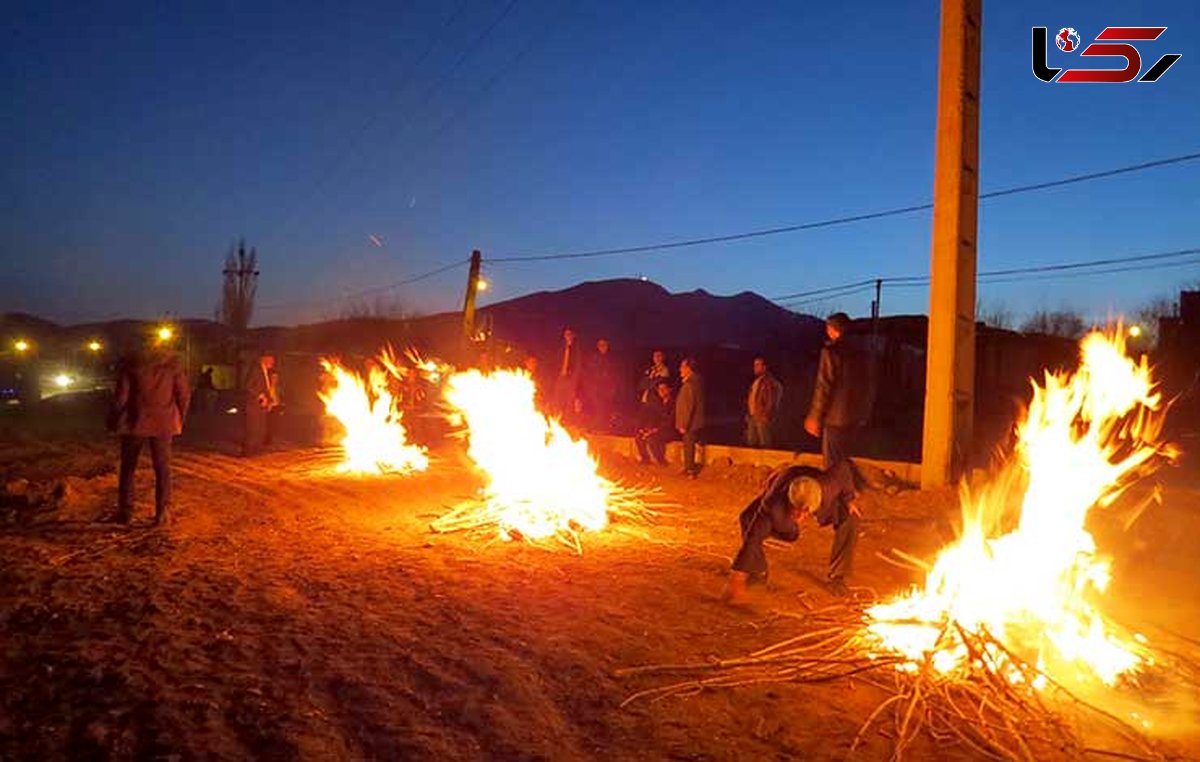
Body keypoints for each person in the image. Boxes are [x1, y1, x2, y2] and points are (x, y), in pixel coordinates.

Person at [723, 461, 861, 603]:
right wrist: (737, 577)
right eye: (797, 511)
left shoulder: (828, 486)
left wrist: (848, 499)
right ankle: (757, 570)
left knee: (851, 518)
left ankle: (838, 577)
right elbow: (754, 535)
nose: (801, 517)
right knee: (747, 518)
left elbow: (843, 469)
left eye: (805, 513)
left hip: (810, 478)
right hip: (784, 484)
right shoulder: (773, 504)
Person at [107, 343, 191, 526]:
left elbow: (121, 397)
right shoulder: (173, 366)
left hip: (135, 422)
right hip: (164, 423)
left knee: (128, 468)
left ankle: (126, 512)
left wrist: (113, 420)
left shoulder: (131, 365)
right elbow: (184, 395)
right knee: (163, 469)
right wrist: (178, 419)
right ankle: (162, 513)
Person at [805, 312, 869, 469]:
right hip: (854, 416)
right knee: (846, 460)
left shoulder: (831, 352)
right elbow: (868, 384)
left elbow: (824, 386)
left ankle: (835, 490)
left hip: (835, 417)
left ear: (832, 329)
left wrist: (815, 417)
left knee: (832, 463)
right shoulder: (861, 353)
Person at [243, 353, 280, 456]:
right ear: (264, 359)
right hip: (253, 405)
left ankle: (256, 450)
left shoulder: (265, 371)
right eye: (271, 360)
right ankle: (248, 452)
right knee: (253, 429)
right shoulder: (255, 369)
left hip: (261, 406)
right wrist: (260, 396)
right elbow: (248, 386)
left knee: (260, 428)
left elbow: (266, 388)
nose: (273, 363)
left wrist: (270, 401)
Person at [675, 357, 705, 478]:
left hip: (690, 422)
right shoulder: (695, 382)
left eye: (682, 367)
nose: (680, 369)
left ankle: (690, 471)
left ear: (688, 368)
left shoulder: (690, 384)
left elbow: (688, 405)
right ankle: (688, 467)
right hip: (692, 421)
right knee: (688, 444)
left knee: (689, 444)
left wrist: (683, 424)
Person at [745, 356, 783, 448]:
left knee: (764, 444)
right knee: (751, 444)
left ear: (764, 367)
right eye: (754, 365)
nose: (755, 367)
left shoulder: (769, 382)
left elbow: (772, 399)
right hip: (752, 416)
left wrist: (766, 414)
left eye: (758, 365)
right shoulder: (756, 381)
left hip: (762, 417)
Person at [634, 379, 674, 465]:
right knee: (639, 436)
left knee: (652, 439)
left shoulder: (673, 403)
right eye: (659, 389)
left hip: (669, 430)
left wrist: (655, 430)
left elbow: (670, 421)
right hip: (657, 428)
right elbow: (653, 417)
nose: (661, 391)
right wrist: (646, 429)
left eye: (664, 389)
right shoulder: (658, 403)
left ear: (669, 389)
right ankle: (645, 458)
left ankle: (660, 460)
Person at [587, 338, 620, 433]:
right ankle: (598, 427)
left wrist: (613, 389)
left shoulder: (612, 359)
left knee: (607, 408)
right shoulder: (594, 358)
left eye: (604, 345)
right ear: (597, 347)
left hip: (608, 389)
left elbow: (615, 374)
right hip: (597, 388)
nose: (602, 347)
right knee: (598, 409)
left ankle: (605, 428)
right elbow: (591, 373)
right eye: (600, 345)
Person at [552, 327, 582, 425]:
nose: (567, 337)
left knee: (569, 402)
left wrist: (575, 379)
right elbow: (556, 361)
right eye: (566, 335)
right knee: (557, 400)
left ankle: (568, 423)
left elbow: (578, 365)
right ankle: (556, 422)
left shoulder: (577, 349)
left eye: (569, 334)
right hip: (560, 377)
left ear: (573, 336)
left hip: (571, 378)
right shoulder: (560, 348)